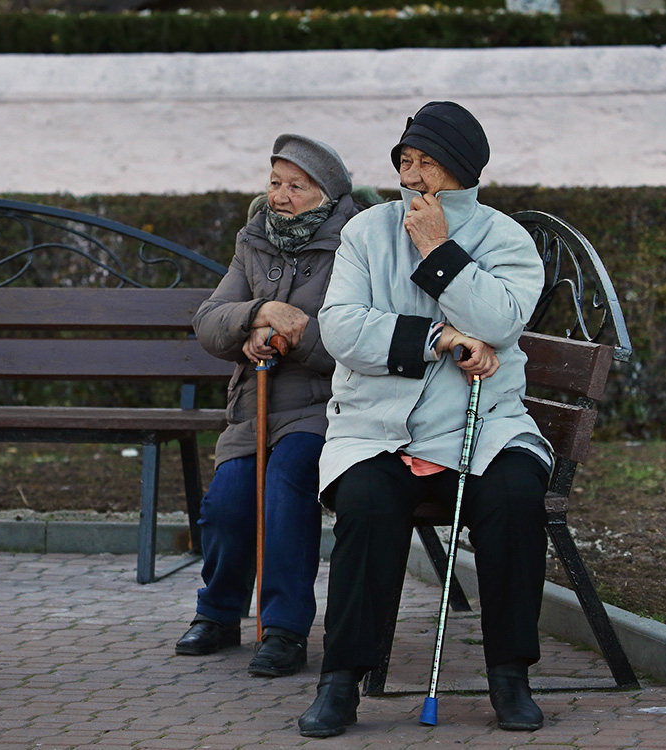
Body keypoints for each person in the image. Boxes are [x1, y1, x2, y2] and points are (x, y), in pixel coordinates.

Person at [297, 101, 552, 737]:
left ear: (462, 171)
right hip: (378, 430)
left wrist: (438, 250)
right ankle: (341, 681)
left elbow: (500, 322)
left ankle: (510, 676)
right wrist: (437, 336)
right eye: (405, 162)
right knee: (369, 503)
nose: (411, 179)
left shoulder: (504, 239)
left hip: (482, 426)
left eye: (428, 164)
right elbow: (341, 329)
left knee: (517, 494)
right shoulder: (364, 232)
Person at [175, 135, 363, 677]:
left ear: (325, 194)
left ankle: (284, 629)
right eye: (274, 182)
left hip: (324, 408)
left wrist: (294, 336)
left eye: (295, 186)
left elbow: (360, 336)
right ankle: (219, 613)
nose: (280, 196)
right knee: (228, 502)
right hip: (252, 406)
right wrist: (257, 317)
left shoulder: (354, 244)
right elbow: (210, 321)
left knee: (285, 486)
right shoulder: (254, 239)